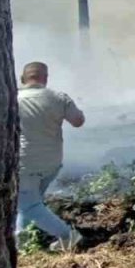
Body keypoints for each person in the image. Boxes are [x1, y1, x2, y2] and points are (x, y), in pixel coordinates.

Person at [16, 61, 86, 251]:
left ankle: (67, 236)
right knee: (31, 201)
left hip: (25, 163)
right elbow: (78, 121)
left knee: (29, 205)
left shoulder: (13, 98)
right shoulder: (58, 97)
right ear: (45, 79)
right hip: (53, 162)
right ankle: (23, 243)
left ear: (22, 79)